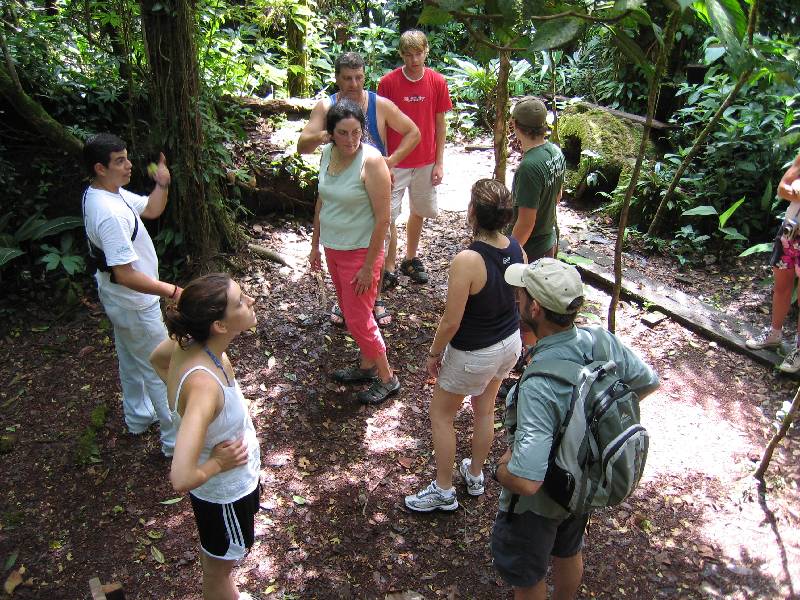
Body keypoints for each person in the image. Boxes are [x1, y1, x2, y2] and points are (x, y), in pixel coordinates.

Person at [491, 258, 659, 600]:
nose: (517, 299)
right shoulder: (599, 340)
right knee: (568, 549)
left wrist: (500, 469)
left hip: (539, 504)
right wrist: (586, 431)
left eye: (521, 294)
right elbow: (646, 381)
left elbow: (526, 479)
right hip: (580, 484)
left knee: (527, 574)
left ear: (535, 308)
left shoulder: (539, 385)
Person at [405, 179, 525, 512]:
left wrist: (434, 353)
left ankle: (443, 489)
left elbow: (451, 321)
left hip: (475, 351)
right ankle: (474, 474)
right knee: (484, 408)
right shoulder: (516, 247)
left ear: (472, 212)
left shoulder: (468, 260)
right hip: (508, 343)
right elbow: (518, 296)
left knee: (441, 415)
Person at [149, 273, 261, 600]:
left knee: (217, 561)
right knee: (218, 570)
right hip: (225, 494)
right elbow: (181, 477)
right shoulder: (204, 388)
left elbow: (157, 360)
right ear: (219, 326)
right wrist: (216, 462)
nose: (251, 301)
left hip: (233, 486)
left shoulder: (186, 344)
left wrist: (185, 403)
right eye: (240, 301)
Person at [298, 51, 420, 327]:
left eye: (359, 77)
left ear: (365, 76)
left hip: (375, 182)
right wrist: (328, 134)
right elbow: (303, 145)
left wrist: (390, 161)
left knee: (380, 234)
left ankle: (374, 298)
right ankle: (345, 300)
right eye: (347, 78)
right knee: (342, 243)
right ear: (337, 79)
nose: (353, 83)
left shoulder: (380, 105)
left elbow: (413, 132)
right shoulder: (326, 107)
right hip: (342, 183)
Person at [81, 133, 179, 456]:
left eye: (127, 158)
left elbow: (151, 209)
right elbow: (124, 274)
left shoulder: (109, 194)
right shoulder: (107, 213)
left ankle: (138, 417)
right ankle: (174, 442)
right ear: (99, 167)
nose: (129, 165)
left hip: (120, 302)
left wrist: (162, 184)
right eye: (119, 161)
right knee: (160, 367)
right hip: (134, 303)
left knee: (130, 358)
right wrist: (172, 290)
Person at [309, 99, 400, 405]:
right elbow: (322, 201)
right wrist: (314, 245)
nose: (350, 140)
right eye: (343, 133)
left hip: (361, 252)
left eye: (356, 132)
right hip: (333, 247)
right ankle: (366, 367)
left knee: (359, 319)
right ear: (331, 134)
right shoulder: (326, 154)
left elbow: (383, 218)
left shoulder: (371, 162)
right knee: (351, 314)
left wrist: (368, 265)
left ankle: (388, 378)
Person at [378, 29, 452, 286]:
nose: (414, 60)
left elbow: (440, 123)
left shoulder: (437, 82)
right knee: (388, 214)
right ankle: (388, 265)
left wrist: (439, 162)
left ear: (426, 52)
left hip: (425, 160)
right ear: (401, 55)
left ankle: (410, 258)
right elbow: (382, 124)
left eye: (418, 53)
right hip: (396, 160)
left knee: (418, 211)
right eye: (408, 55)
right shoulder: (388, 83)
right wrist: (385, 161)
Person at [507, 97, 566, 351]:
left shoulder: (529, 167)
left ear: (515, 125)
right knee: (540, 305)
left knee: (528, 312)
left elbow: (526, 222)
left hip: (530, 247)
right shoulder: (554, 152)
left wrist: (508, 251)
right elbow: (558, 196)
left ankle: (528, 360)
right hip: (548, 239)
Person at [746, 151, 800, 373]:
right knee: (781, 287)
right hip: (791, 230)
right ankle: (774, 334)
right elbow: (781, 188)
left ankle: (798, 349)